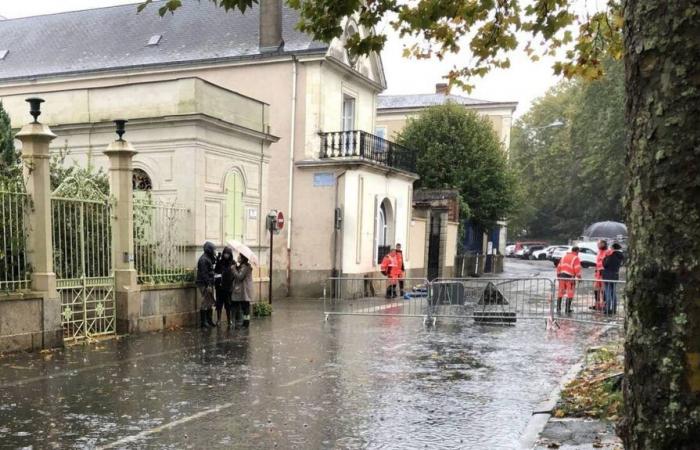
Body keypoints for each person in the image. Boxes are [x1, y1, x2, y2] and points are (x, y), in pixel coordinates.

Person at [196, 241, 218, 328]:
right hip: (204, 283)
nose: (214, 251)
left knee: (209, 302)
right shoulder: (203, 259)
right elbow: (204, 274)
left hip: (209, 282)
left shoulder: (208, 258)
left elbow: (211, 266)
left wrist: (215, 258)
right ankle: (203, 322)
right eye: (213, 250)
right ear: (209, 249)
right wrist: (208, 284)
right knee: (205, 301)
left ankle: (209, 320)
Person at [556, 246, 582, 314]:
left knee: (560, 293)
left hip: (561, 276)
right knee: (570, 293)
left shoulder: (564, 256)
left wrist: (558, 275)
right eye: (578, 252)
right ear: (576, 251)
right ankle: (567, 309)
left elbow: (559, 266)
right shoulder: (576, 258)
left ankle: (558, 308)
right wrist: (579, 277)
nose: (578, 253)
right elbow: (577, 268)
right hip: (570, 277)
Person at [214, 246, 235, 327]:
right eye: (225, 253)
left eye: (228, 254)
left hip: (228, 287)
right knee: (219, 304)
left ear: (230, 254)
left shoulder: (233, 263)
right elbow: (215, 272)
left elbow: (234, 274)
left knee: (228, 304)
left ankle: (229, 320)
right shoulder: (220, 262)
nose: (226, 255)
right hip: (220, 286)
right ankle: (218, 320)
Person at [232, 254, 255, 327]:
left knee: (245, 306)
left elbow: (239, 277)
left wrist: (233, 269)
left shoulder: (245, 267)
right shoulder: (245, 266)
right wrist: (237, 267)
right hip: (245, 288)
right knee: (245, 306)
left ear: (242, 258)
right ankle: (246, 322)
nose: (238, 257)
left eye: (239, 256)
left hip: (245, 289)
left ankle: (246, 322)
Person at [602, 243, 624, 315]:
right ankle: (614, 309)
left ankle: (607, 309)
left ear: (613, 248)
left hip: (608, 275)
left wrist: (605, 257)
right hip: (615, 275)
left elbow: (605, 265)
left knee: (608, 292)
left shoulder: (611, 256)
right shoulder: (621, 256)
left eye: (611, 247)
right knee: (613, 293)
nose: (610, 248)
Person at [592, 240, 612, 311]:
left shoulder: (608, 251)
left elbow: (609, 262)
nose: (597, 245)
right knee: (596, 289)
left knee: (603, 290)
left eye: (599, 244)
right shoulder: (599, 251)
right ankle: (597, 304)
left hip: (604, 272)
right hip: (597, 273)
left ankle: (604, 305)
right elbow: (597, 262)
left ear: (603, 244)